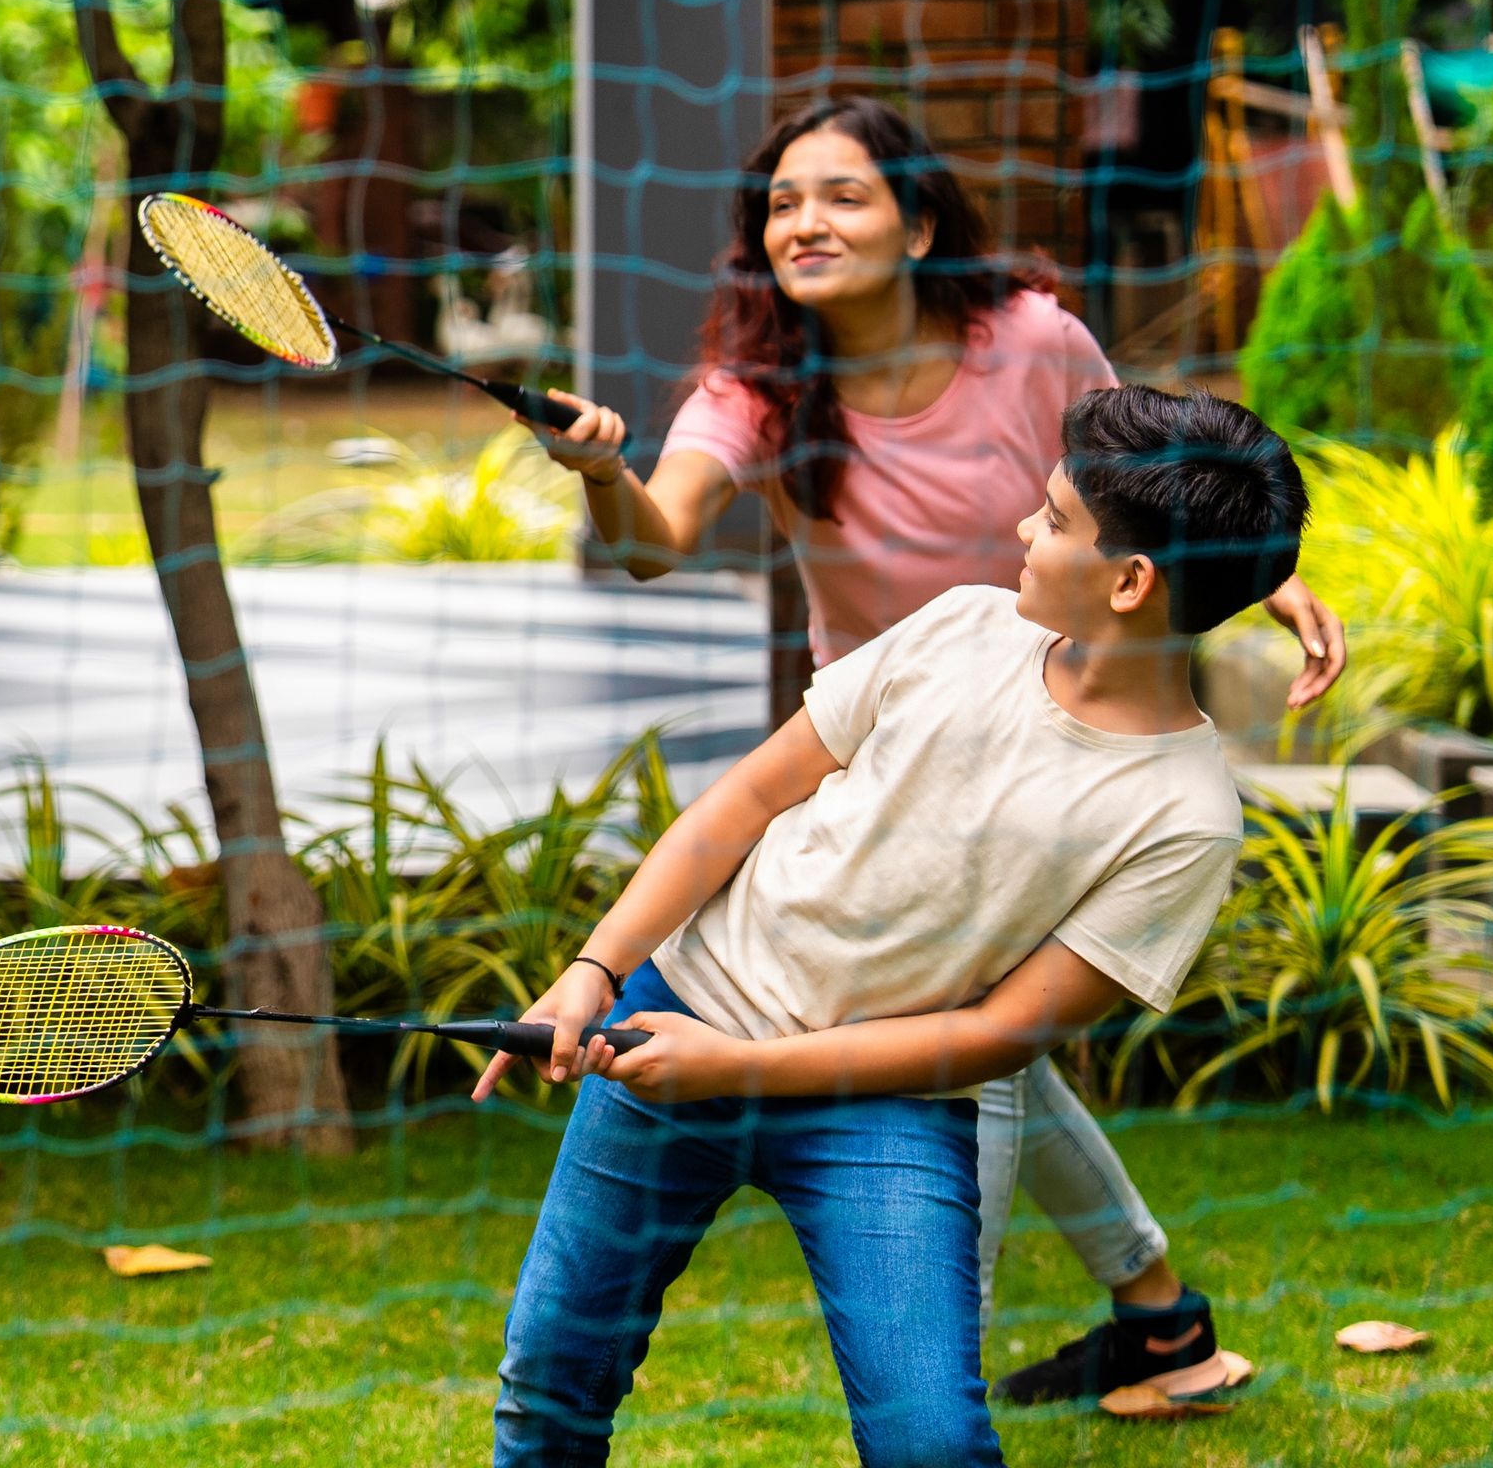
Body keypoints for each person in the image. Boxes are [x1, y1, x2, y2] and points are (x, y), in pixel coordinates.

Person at [521, 96, 1341, 1404]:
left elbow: (1154, 485)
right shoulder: (761, 389)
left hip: (1079, 752)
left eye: (842, 194)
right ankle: (1156, 1315)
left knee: (973, 1064)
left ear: (918, 218)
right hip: (892, 750)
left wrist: (1261, 585)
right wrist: (601, 474)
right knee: (952, 1038)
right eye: (782, 203)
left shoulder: (1031, 343)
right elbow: (655, 537)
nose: (806, 222)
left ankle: (1010, 1364)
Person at [475, 385, 1310, 1468]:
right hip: (677, 1014)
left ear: (1132, 582)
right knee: (550, 1385)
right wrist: (596, 970)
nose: (1023, 528)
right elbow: (746, 800)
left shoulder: (1185, 817)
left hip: (885, 1106)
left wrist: (740, 1070)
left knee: (929, 1443)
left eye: (1054, 521)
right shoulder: (962, 627)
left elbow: (1004, 1037)